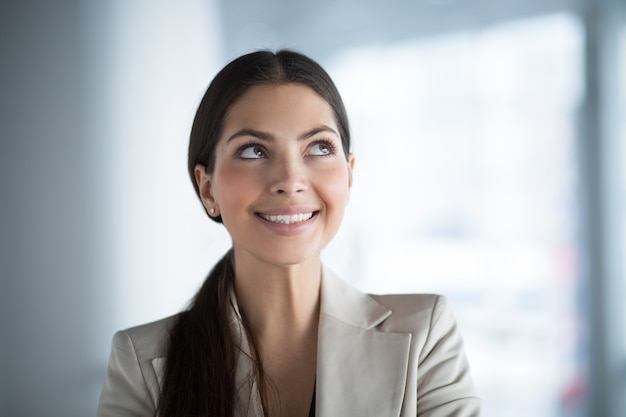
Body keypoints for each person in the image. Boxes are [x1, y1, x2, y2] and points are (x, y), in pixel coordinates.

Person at [96, 49, 481, 417]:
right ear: (207, 187)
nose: (290, 181)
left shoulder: (425, 335)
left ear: (348, 174)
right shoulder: (141, 361)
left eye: (318, 147)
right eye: (253, 151)